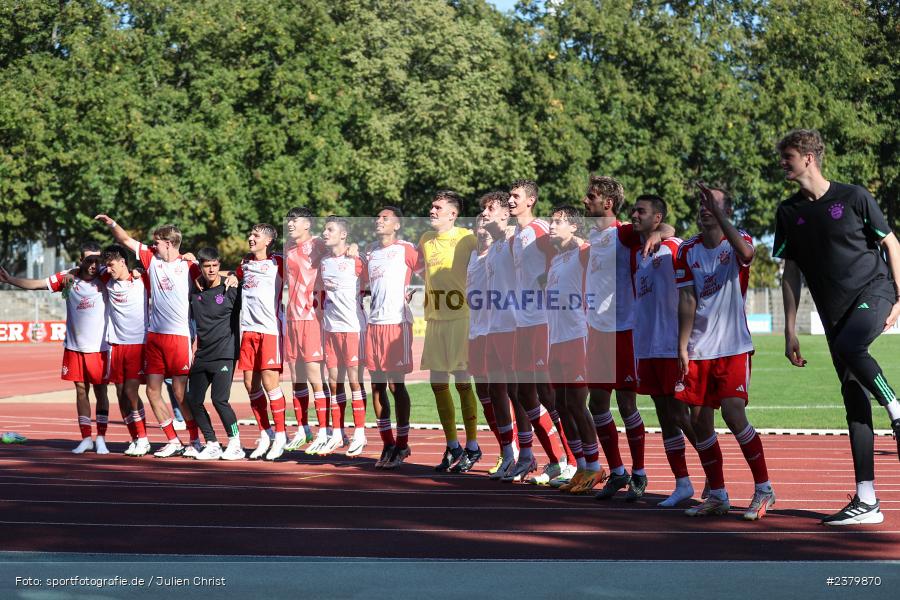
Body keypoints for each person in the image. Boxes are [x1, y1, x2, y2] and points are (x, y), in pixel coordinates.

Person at [774, 129, 900, 525]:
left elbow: (892, 245)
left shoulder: (854, 196)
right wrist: (789, 328)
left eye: (788, 156)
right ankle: (867, 500)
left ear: (809, 157)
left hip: (874, 291)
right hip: (832, 313)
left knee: (850, 348)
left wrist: (899, 296)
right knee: (852, 399)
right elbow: (790, 272)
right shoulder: (788, 212)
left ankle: (896, 409)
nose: (783, 163)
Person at [675, 183, 775, 520]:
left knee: (734, 414)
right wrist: (682, 346)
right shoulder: (686, 251)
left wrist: (719, 214)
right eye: (702, 203)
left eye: (713, 204)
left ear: (727, 211)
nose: (705, 208)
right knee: (699, 421)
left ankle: (764, 488)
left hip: (733, 346)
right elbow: (687, 298)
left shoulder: (739, 241)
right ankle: (717, 493)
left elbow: (748, 256)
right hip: (699, 348)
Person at [582, 176, 673, 501]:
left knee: (627, 403)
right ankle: (617, 471)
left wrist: (660, 234)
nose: (585, 201)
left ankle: (639, 472)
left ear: (607, 202)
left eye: (591, 196)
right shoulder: (595, 237)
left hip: (624, 332)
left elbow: (666, 230)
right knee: (597, 406)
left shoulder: (623, 233)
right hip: (597, 332)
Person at [95, 215, 200, 458]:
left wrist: (233, 276)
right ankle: (173, 440)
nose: (152, 246)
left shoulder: (189, 266)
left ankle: (195, 440)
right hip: (154, 337)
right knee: (152, 392)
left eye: (157, 242)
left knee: (180, 394)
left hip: (179, 337)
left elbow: (211, 276)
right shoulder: (151, 260)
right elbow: (124, 239)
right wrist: (111, 223)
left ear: (170, 244)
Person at [0, 243, 110, 454]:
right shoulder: (67, 278)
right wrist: (10, 280)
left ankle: (101, 438)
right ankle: (86, 438)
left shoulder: (106, 278)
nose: (94, 265)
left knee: (101, 390)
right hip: (74, 347)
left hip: (100, 348)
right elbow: (39, 284)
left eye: (97, 260)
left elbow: (127, 274)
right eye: (89, 260)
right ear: (80, 261)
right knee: (80, 390)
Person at [628, 196, 699, 506]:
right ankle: (682, 483)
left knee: (681, 414)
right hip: (648, 348)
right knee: (665, 416)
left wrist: (665, 232)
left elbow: (690, 288)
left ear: (657, 218)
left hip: (672, 345)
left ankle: (714, 475)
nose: (634, 214)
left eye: (641, 211)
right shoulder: (639, 255)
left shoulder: (673, 248)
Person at [505, 180, 572, 484]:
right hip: (522, 323)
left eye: (515, 196)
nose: (510, 200)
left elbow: (567, 248)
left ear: (530, 200)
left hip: (543, 322)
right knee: (521, 392)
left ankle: (573, 460)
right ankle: (555, 459)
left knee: (548, 393)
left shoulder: (540, 229)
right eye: (509, 195)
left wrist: (551, 277)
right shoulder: (516, 235)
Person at [417, 191, 481, 472]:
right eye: (432, 206)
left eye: (437, 207)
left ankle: (473, 446)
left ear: (453, 214)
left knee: (463, 382)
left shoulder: (468, 238)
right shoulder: (424, 240)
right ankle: (452, 445)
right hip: (434, 319)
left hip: (460, 318)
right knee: (438, 384)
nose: (432, 210)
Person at [544, 205, 607, 494]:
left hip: (577, 336)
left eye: (558, 222)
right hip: (555, 339)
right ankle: (581, 465)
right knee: (562, 405)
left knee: (578, 405)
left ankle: (595, 467)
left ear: (574, 226)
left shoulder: (585, 250)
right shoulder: (556, 259)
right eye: (551, 222)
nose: (551, 226)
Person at [364, 207, 418, 469]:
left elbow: (431, 271)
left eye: (385, 218)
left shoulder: (406, 249)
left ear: (397, 225)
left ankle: (402, 443)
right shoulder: (370, 252)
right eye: (378, 217)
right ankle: (387, 444)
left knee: (397, 386)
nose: (379, 220)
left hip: (396, 324)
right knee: (376, 387)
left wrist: (414, 293)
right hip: (373, 325)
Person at [231, 224, 287, 461]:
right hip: (249, 331)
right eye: (251, 234)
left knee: (269, 383)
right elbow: (234, 275)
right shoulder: (244, 263)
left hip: (270, 331)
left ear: (268, 241)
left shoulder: (279, 262)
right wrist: (232, 276)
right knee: (249, 384)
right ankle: (266, 433)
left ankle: (281, 436)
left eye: (256, 236)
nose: (250, 238)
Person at [185, 247, 245, 460]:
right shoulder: (194, 291)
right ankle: (211, 443)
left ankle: (235, 443)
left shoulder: (231, 290)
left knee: (220, 400)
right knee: (193, 400)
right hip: (202, 354)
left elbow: (246, 273)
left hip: (225, 354)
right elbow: (184, 262)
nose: (211, 270)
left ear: (219, 265)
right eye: (207, 266)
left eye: (215, 266)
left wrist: (234, 276)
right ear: (201, 267)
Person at [479, 192, 522, 480]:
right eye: (482, 209)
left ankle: (565, 458)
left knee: (525, 394)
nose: (483, 213)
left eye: (490, 209)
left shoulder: (518, 238)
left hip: (515, 327)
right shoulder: (494, 248)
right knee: (496, 392)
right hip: (494, 327)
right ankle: (511, 453)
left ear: (505, 214)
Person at [318, 216, 368, 456]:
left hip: (353, 328)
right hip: (330, 328)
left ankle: (360, 432)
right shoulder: (324, 261)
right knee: (333, 381)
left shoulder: (356, 260)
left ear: (343, 235)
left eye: (330, 229)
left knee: (354, 380)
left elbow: (373, 283)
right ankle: (337, 433)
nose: (325, 233)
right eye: (324, 229)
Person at [283, 207, 329, 452]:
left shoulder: (320, 244)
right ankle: (303, 429)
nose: (290, 224)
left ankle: (325, 430)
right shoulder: (288, 248)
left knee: (315, 377)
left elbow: (342, 252)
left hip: (313, 318)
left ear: (308, 224)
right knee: (296, 376)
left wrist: (354, 250)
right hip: (291, 319)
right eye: (289, 220)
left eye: (295, 220)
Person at [98, 245, 151, 456]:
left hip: (138, 344)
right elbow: (86, 267)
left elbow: (160, 265)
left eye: (111, 265)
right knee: (120, 394)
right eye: (106, 266)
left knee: (131, 392)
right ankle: (135, 437)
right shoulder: (106, 280)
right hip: (116, 345)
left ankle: (144, 438)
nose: (108, 269)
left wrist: (142, 269)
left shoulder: (142, 280)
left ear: (122, 262)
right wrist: (73, 272)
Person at [466, 211, 506, 474]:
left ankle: (514, 450)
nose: (483, 227)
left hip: (497, 332)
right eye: (480, 223)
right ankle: (505, 449)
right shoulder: (471, 254)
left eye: (487, 223)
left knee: (505, 394)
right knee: (484, 395)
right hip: (475, 333)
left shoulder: (501, 250)